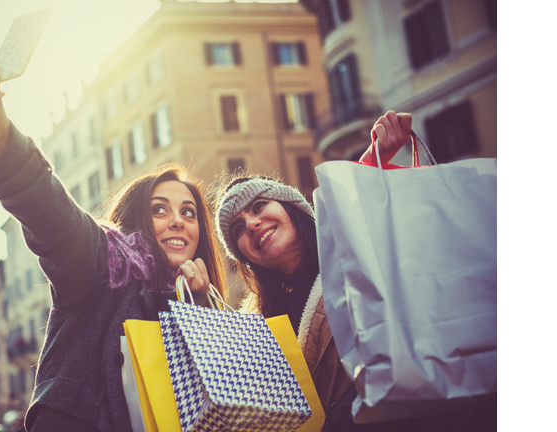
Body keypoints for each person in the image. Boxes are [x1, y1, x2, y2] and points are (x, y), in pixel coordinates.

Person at [0, 63, 227, 432]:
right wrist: (3, 146)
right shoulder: (105, 264)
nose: (178, 220)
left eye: (189, 212)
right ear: (137, 219)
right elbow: (58, 222)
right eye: (160, 209)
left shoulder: (205, 298)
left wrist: (200, 311)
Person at [211, 111, 496, 431]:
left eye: (259, 206)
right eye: (237, 229)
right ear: (245, 258)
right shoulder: (257, 327)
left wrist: (369, 165)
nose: (251, 224)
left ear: (291, 208)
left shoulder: (359, 244)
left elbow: (371, 224)